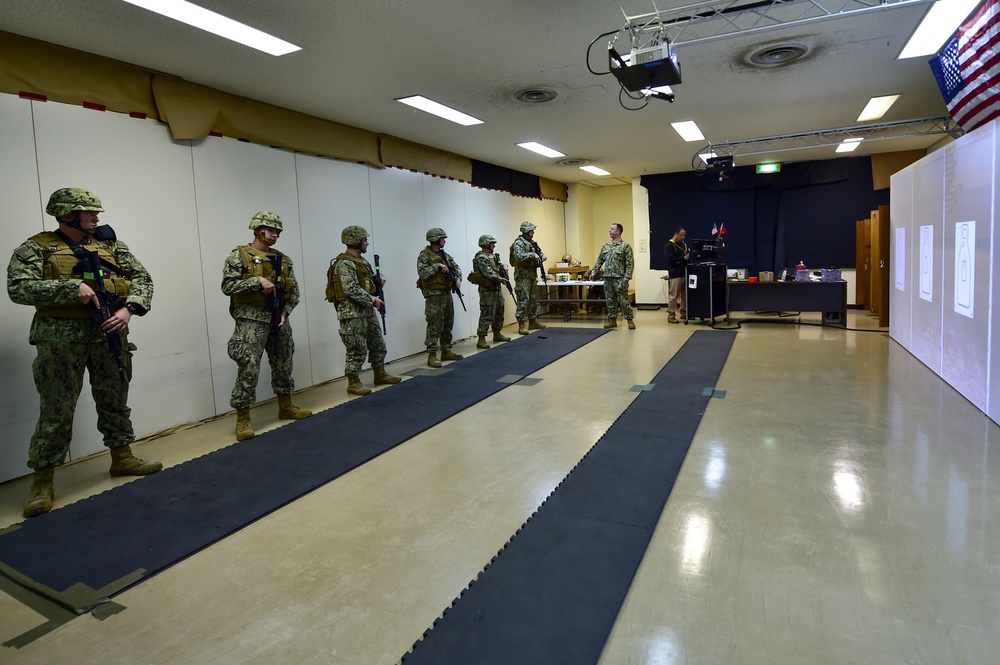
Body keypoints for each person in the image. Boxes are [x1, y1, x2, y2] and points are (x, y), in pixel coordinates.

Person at [7, 187, 162, 517]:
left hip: (110, 332)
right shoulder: (36, 248)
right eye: (88, 211)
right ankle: (43, 481)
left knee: (114, 397)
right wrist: (70, 287)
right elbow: (17, 287)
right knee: (57, 409)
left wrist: (130, 309)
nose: (96, 217)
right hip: (60, 338)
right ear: (66, 215)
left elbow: (142, 278)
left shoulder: (111, 245)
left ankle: (122, 457)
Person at [222, 211, 311, 442]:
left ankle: (285, 406)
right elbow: (227, 286)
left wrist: (285, 311)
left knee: (284, 362)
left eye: (277, 231)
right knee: (248, 366)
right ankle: (243, 418)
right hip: (250, 321)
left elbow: (295, 292)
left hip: (278, 319)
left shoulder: (283, 260)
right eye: (270, 230)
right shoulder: (238, 257)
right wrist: (256, 281)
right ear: (257, 229)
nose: (274, 234)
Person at [327, 225, 402, 395]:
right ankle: (353, 382)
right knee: (356, 348)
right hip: (352, 313)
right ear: (355, 241)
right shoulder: (344, 263)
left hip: (367, 310)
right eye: (364, 240)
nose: (367, 243)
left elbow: (365, 284)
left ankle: (380, 373)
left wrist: (378, 282)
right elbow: (351, 289)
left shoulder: (362, 262)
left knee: (377, 343)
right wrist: (372, 300)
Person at [416, 228, 464, 368]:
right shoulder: (424, 256)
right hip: (434, 295)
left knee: (448, 323)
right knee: (434, 325)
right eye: (443, 238)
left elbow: (456, 268)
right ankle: (432, 355)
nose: (445, 241)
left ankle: (446, 350)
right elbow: (423, 273)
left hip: (446, 293)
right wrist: (437, 266)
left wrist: (458, 279)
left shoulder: (445, 255)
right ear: (436, 239)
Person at [589, 223, 636, 329]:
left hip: (620, 278)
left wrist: (627, 277)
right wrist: (593, 272)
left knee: (623, 300)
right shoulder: (606, 246)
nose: (609, 231)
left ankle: (630, 320)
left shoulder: (625, 246)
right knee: (610, 300)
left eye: (612, 229)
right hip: (607, 277)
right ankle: (612, 320)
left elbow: (630, 263)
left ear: (618, 231)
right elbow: (599, 260)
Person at [470, 234, 513, 349]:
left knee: (499, 311)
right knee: (487, 313)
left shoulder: (493, 256)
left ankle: (497, 333)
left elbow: (496, 269)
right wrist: (501, 279)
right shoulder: (481, 257)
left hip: (496, 289)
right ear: (486, 244)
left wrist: (503, 267)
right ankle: (481, 338)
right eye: (492, 243)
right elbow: (488, 272)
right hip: (487, 290)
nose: (494, 245)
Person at [509, 221, 547, 335]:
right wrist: (532, 255)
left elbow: (540, 253)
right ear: (526, 231)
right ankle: (521, 325)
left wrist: (542, 256)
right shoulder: (518, 243)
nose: (533, 232)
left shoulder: (532, 243)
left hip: (531, 275)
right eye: (531, 230)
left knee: (533, 299)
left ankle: (533, 321)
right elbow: (518, 256)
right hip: (522, 277)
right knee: (523, 300)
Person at [661, 227, 689, 323]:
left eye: (684, 235)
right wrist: (683, 258)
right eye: (681, 235)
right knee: (674, 296)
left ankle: (684, 313)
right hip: (675, 274)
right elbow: (670, 259)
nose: (683, 237)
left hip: (685, 273)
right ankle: (671, 315)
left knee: (685, 296)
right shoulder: (669, 246)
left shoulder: (683, 245)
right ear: (676, 234)